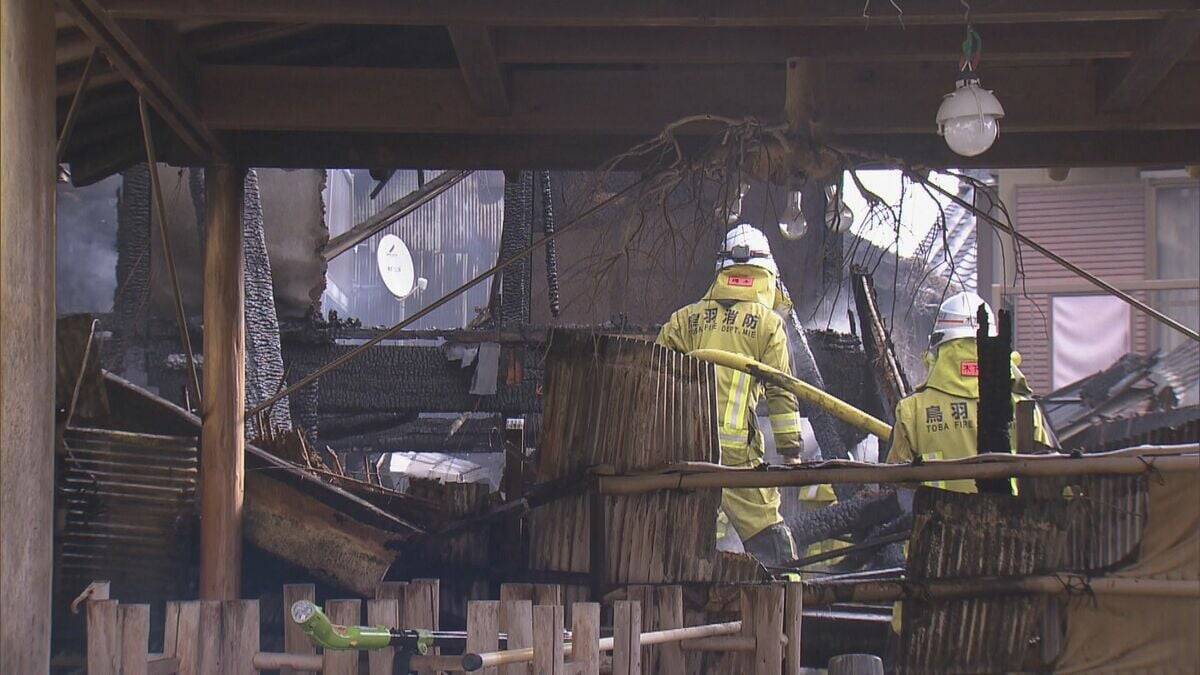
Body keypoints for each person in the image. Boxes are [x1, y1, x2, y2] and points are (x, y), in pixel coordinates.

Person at [657, 224, 803, 565]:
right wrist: (791, 452)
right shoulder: (768, 325)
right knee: (773, 546)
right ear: (766, 275)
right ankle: (787, 606)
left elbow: (653, 380)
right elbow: (782, 392)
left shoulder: (684, 320)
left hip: (684, 450)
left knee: (682, 544)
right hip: (737, 459)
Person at [887, 292, 1050, 492]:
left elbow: (895, 490)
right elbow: (1050, 482)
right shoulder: (1024, 407)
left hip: (938, 522)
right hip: (1013, 521)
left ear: (938, 345)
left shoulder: (912, 411)